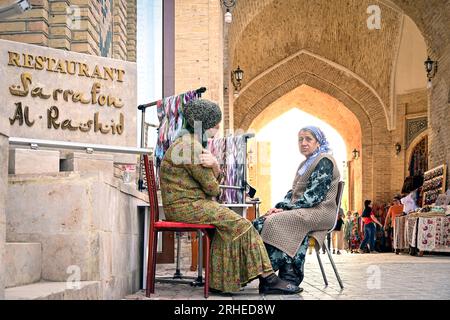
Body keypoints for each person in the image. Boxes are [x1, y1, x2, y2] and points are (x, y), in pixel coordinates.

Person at [159, 99, 300, 295]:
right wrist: (216, 166)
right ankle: (269, 278)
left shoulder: (186, 144)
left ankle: (220, 283)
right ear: (204, 124)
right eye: (214, 126)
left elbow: (211, 184)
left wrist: (215, 167)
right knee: (242, 225)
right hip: (187, 207)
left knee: (227, 228)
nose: (216, 130)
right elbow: (212, 188)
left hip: (186, 205)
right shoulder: (190, 148)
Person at [253, 126, 340, 287]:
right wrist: (280, 207)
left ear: (318, 142)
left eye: (308, 139)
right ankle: (272, 274)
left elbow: (314, 195)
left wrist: (285, 209)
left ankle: (273, 273)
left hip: (320, 211)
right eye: (300, 139)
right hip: (306, 209)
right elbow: (293, 192)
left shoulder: (324, 161)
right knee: (262, 221)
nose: (303, 143)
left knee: (274, 222)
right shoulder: (305, 164)